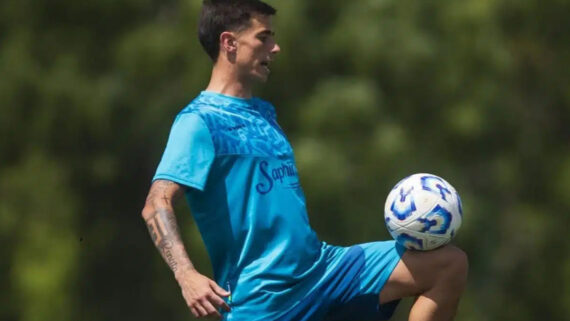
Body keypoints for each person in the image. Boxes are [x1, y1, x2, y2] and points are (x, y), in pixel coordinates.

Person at [141, 0, 469, 320]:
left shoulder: (264, 114)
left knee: (447, 265)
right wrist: (186, 275)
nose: (275, 47)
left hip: (321, 272)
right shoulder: (198, 122)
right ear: (229, 42)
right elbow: (157, 203)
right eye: (263, 37)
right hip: (263, 301)